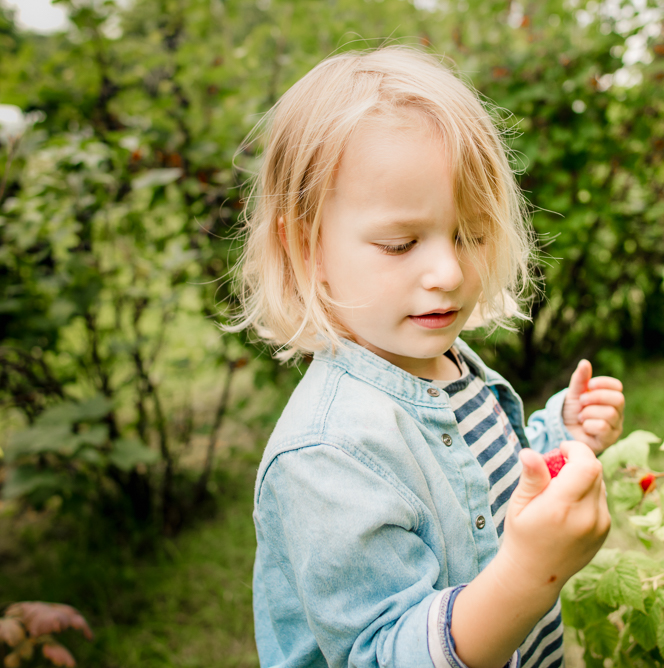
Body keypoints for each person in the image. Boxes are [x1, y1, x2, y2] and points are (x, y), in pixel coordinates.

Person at [224, 45, 626, 668]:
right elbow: (382, 654)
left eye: (470, 233)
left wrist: (561, 434)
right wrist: (528, 574)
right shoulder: (327, 456)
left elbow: (485, 487)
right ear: (306, 247)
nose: (447, 270)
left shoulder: (447, 365)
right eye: (399, 242)